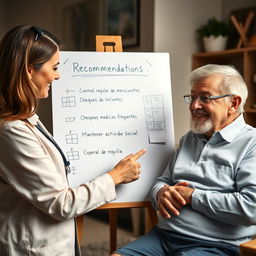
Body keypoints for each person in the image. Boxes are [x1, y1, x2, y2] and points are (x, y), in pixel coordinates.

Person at [0, 25, 146, 255]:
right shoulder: (11, 131)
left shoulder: (26, 118)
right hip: (31, 246)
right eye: (54, 67)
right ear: (29, 70)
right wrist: (116, 176)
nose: (57, 75)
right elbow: (61, 203)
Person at [112, 64, 256, 256]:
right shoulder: (189, 138)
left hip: (216, 245)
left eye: (205, 98)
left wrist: (192, 196)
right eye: (192, 97)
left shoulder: (251, 143)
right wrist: (160, 193)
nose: (194, 106)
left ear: (233, 103)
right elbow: (163, 181)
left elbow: (251, 207)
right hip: (163, 236)